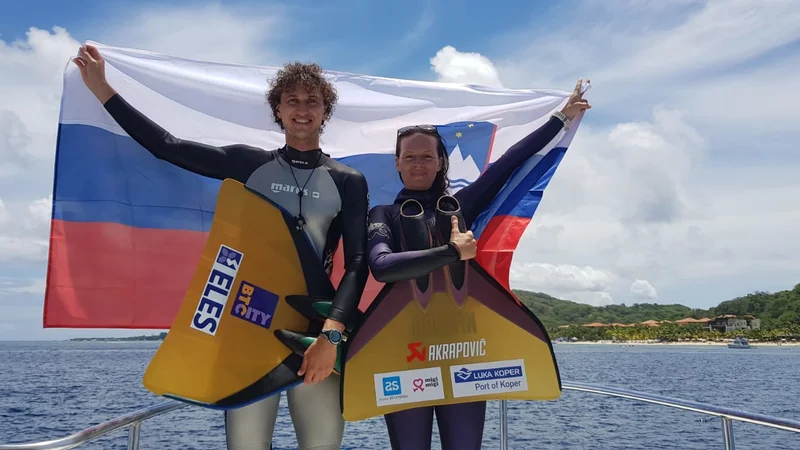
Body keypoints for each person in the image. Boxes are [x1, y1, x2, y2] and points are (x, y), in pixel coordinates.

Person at [72, 44, 369, 450]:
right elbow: (167, 146)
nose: (302, 109)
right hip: (248, 326)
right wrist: (102, 90)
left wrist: (331, 335)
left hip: (316, 333)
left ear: (325, 112)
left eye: (312, 101)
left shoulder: (347, 179)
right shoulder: (248, 165)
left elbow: (356, 263)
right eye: (292, 100)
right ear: (278, 110)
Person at [365, 79, 591, 450]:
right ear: (397, 163)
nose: (418, 163)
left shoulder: (462, 206)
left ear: (441, 162)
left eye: (426, 156)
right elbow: (382, 267)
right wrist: (451, 253)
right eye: (410, 156)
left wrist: (560, 119)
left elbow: (510, 162)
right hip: (401, 353)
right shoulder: (383, 214)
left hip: (463, 352)